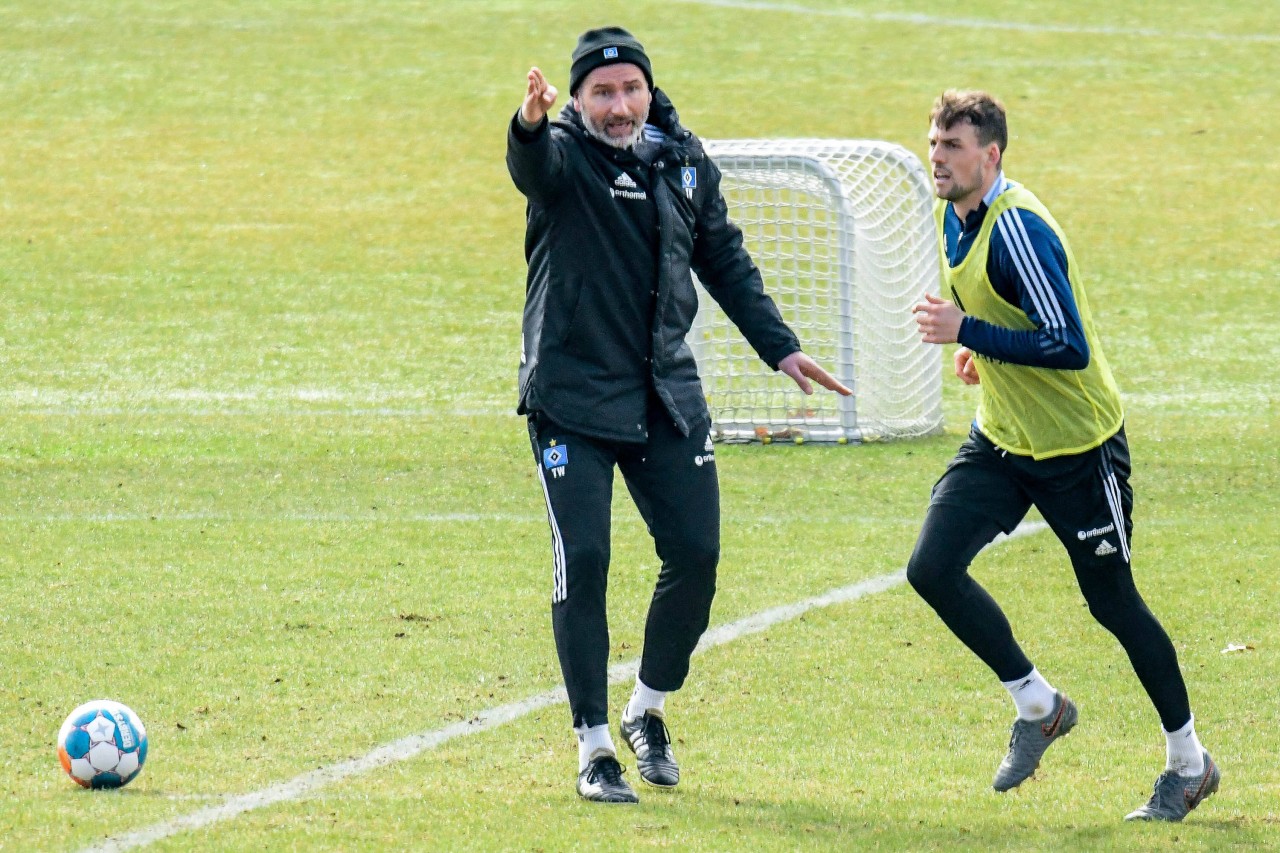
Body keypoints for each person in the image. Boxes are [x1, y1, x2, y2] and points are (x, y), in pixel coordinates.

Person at [506, 26, 851, 804]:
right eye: (601, 93)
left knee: (695, 556)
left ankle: (645, 709)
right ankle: (593, 745)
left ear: (648, 90)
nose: (618, 106)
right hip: (571, 396)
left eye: (629, 89)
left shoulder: (685, 161)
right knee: (585, 557)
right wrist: (529, 124)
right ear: (579, 100)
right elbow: (533, 165)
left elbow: (722, 256)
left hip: (663, 391)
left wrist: (781, 348)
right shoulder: (564, 157)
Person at [908, 89, 1220, 822]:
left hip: (1079, 450)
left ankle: (1189, 761)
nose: (937, 158)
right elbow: (1009, 320)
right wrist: (982, 351)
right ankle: (1039, 705)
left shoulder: (1018, 229)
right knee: (931, 567)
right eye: (932, 143)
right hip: (1003, 439)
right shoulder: (951, 214)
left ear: (991, 155)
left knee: (1113, 603)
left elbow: (1065, 342)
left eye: (952, 147)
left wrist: (970, 332)